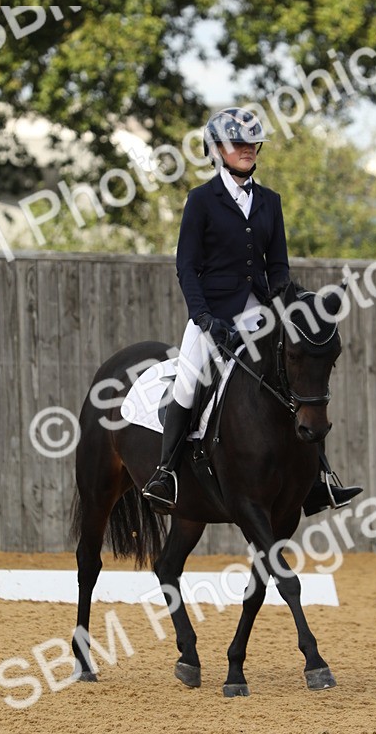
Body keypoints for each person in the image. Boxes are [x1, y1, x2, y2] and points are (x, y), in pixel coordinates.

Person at [142, 106, 361, 514]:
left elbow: (277, 267)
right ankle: (166, 473)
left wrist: (292, 304)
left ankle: (317, 480)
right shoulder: (202, 200)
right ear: (218, 150)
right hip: (213, 316)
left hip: (260, 312)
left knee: (298, 379)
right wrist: (204, 318)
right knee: (189, 382)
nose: (246, 149)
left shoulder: (269, 201)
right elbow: (186, 267)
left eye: (251, 143)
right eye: (237, 143)